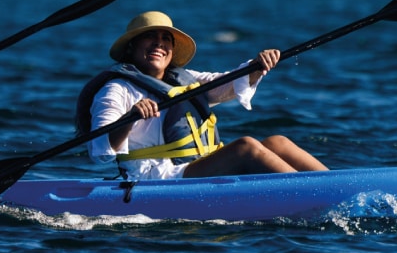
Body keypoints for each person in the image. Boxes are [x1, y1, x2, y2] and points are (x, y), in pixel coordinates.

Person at [76, 11, 328, 181]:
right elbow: (101, 150)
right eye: (149, 37)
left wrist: (257, 66)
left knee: (277, 142)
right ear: (131, 47)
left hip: (195, 166)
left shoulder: (185, 79)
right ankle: (312, 195)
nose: (159, 44)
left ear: (172, 51)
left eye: (166, 39)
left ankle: (342, 187)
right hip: (154, 178)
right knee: (245, 148)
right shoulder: (116, 89)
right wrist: (130, 118)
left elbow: (227, 84)